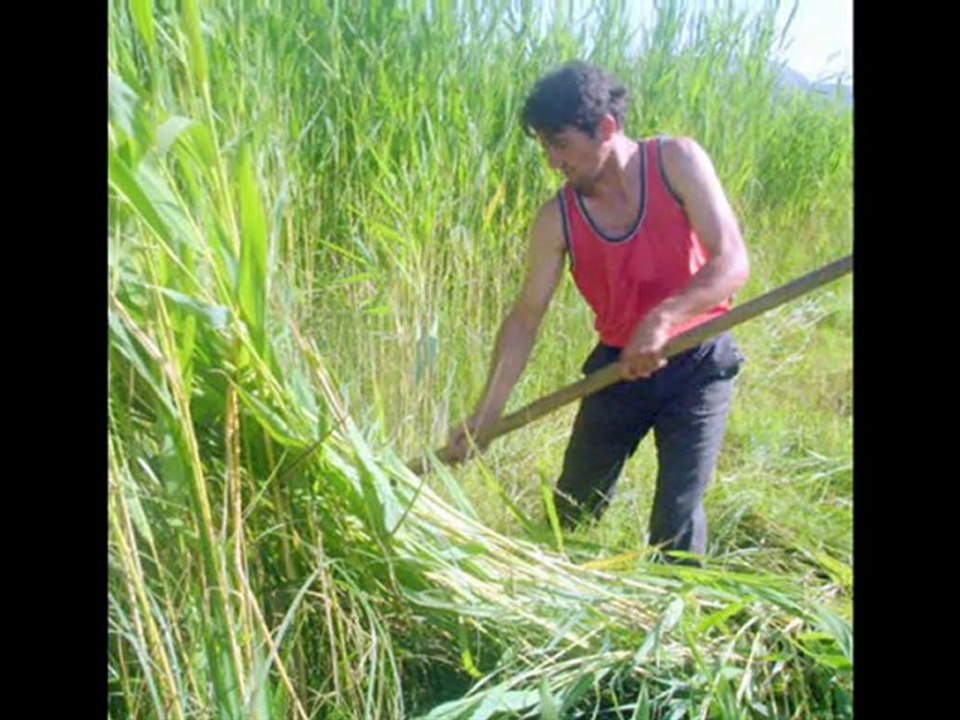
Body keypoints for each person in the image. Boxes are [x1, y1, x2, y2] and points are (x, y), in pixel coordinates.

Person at [445, 61, 750, 564]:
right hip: (616, 370)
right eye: (544, 146)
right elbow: (525, 319)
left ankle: (675, 625)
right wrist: (486, 413)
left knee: (676, 520)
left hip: (699, 359)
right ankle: (550, 600)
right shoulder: (556, 219)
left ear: (606, 128)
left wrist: (664, 319)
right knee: (570, 511)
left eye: (559, 144)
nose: (551, 161)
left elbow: (732, 260)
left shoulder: (676, 161)